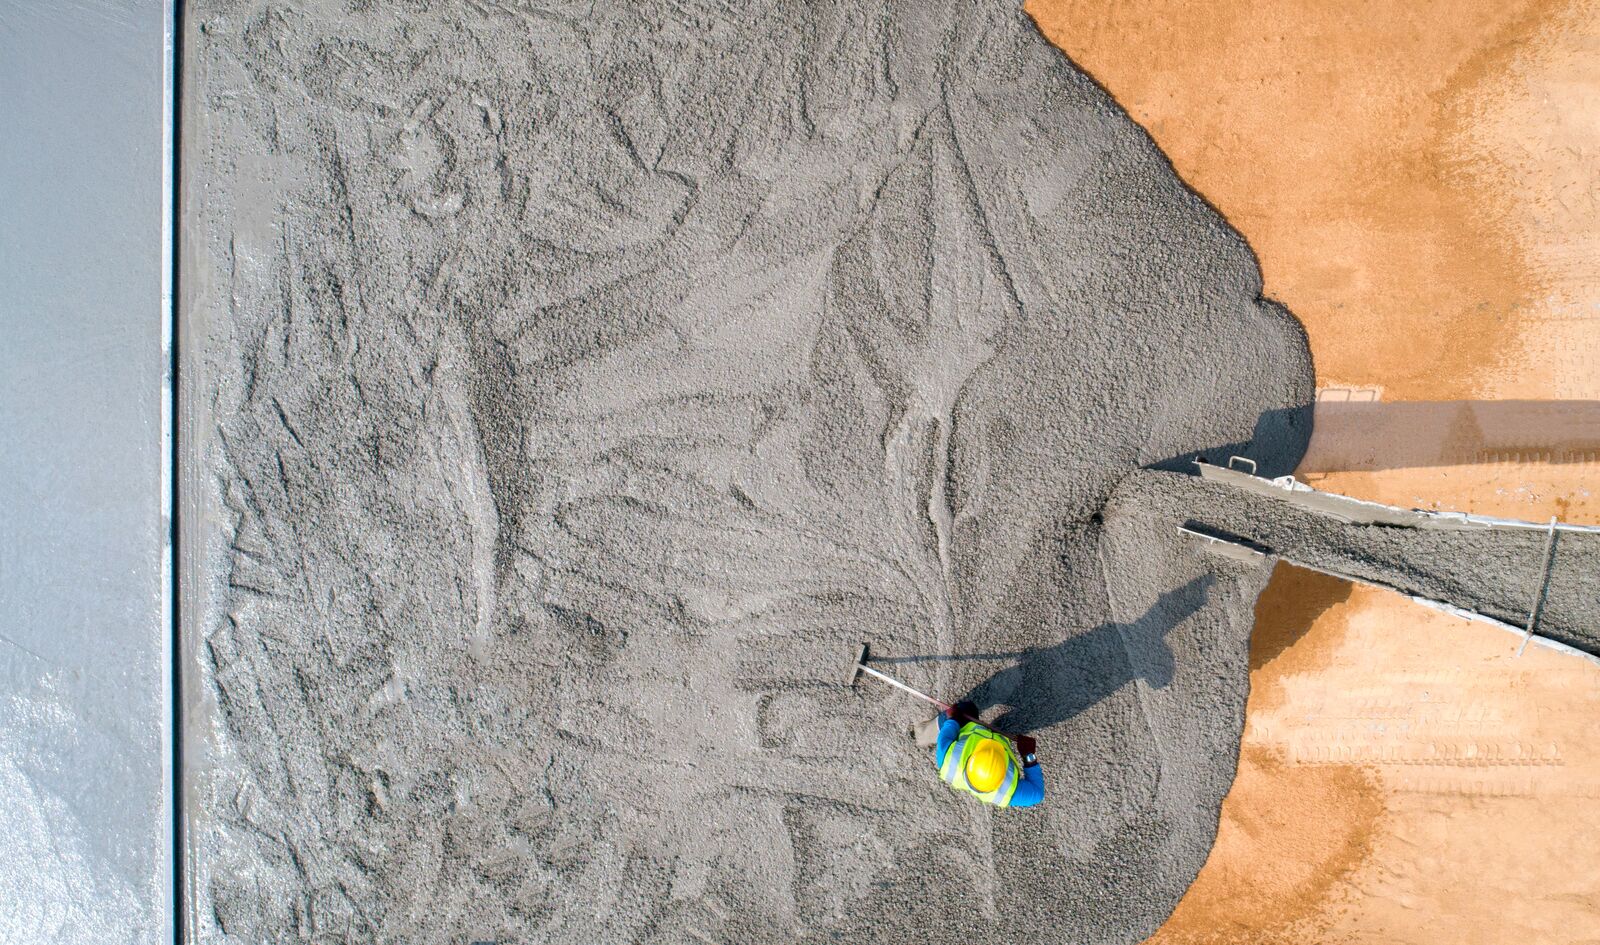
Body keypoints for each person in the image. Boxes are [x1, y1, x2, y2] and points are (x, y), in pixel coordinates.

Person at [933, 701, 1044, 808]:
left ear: (972, 758)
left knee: (966, 709)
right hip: (994, 738)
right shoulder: (1005, 792)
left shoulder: (947, 756)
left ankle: (932, 729)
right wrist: (1028, 756)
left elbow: (951, 721)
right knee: (968, 710)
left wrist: (953, 717)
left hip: (969, 733)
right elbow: (1037, 793)